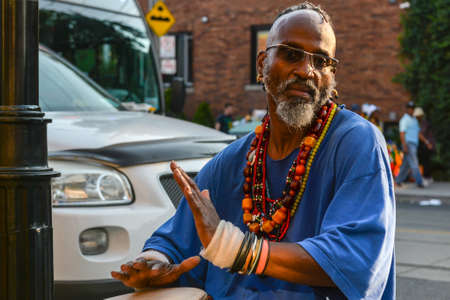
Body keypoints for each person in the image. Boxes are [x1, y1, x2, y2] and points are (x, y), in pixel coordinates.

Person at [112, 3, 396, 299]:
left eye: (322, 61)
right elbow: (176, 241)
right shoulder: (231, 162)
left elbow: (353, 259)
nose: (306, 71)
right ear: (262, 65)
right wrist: (155, 264)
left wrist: (233, 248)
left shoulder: (356, 142)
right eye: (291, 54)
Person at [395, 102, 432, 188]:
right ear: (407, 109)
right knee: (414, 163)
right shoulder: (404, 120)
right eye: (409, 108)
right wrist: (404, 145)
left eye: (412, 108)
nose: (411, 110)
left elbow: (418, 133)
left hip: (414, 144)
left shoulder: (415, 120)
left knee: (406, 165)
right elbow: (402, 133)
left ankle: (398, 181)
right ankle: (419, 182)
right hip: (408, 144)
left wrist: (426, 142)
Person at [413, 107, 435, 179]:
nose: (417, 117)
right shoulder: (417, 123)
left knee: (425, 161)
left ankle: (426, 176)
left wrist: (427, 143)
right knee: (421, 160)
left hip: (426, 144)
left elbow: (420, 135)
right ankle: (423, 176)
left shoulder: (424, 123)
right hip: (421, 144)